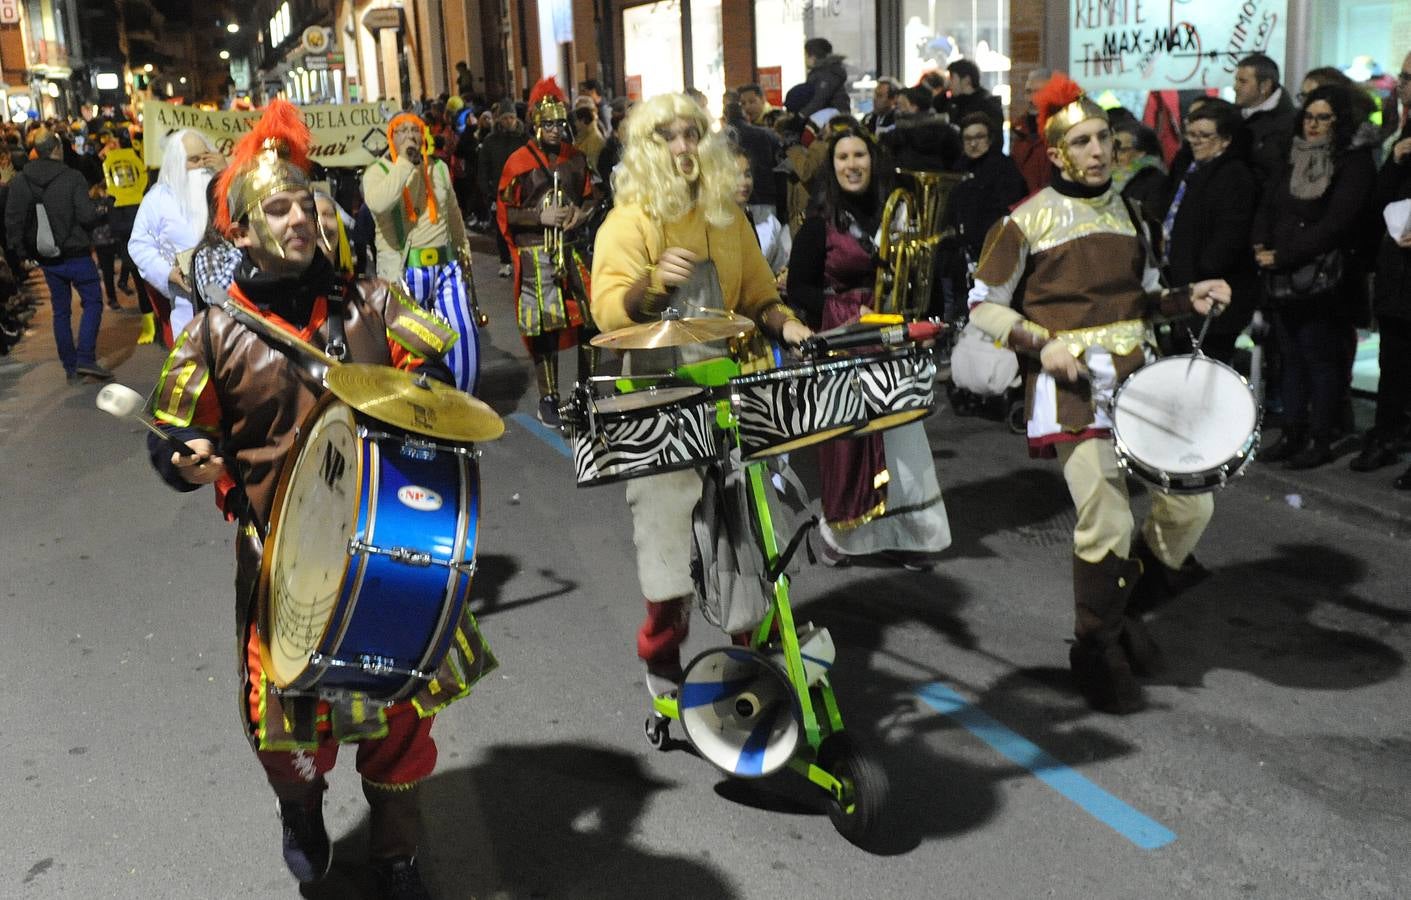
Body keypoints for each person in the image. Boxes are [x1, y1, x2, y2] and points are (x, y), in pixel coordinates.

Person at [145, 100, 493, 899]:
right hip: (280, 560)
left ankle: (397, 853)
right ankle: (300, 811)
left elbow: (442, 375)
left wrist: (424, 392)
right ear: (239, 231)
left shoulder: (374, 300)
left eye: (305, 203)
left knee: (402, 718)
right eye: (277, 208)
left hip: (387, 545)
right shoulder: (211, 334)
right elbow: (171, 430)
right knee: (288, 730)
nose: (299, 217)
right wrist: (184, 458)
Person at [966, 74, 1230, 714]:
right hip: (1072, 390)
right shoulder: (1023, 221)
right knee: (1107, 518)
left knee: (1191, 508)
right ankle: (1097, 647)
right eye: (1082, 142)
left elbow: (1141, 298)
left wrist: (1185, 299)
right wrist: (1040, 343)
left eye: (1104, 139)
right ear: (1057, 153)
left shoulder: (1133, 213)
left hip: (1140, 378)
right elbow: (982, 306)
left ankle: (1123, 607)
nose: (1097, 151)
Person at [589, 92, 812, 696]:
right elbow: (607, 308)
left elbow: (760, 296)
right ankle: (661, 655)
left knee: (750, 530)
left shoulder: (727, 217)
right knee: (667, 544)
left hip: (728, 397)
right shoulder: (628, 221)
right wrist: (652, 286)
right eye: (669, 136)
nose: (683, 146)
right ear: (647, 149)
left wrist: (788, 325)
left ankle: (756, 654)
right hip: (657, 400)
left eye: (692, 134)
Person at [786, 122, 951, 566]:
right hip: (845, 343)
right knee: (850, 443)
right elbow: (798, 287)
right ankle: (842, 535)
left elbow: (921, 275)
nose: (852, 164)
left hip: (893, 339)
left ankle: (913, 537)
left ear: (872, 161)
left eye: (859, 155)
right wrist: (842, 307)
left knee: (902, 438)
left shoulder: (897, 216)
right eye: (843, 157)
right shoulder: (818, 225)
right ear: (833, 166)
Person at [1253, 85, 1377, 469]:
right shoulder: (1293, 153)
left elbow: (1337, 223)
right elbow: (1269, 204)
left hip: (1322, 277)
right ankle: (1293, 432)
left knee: (1319, 358)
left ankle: (1320, 437)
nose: (1314, 125)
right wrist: (1260, 243)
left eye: (1324, 118)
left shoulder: (1352, 162)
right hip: (1282, 274)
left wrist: (1285, 254)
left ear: (1339, 122)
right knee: (1290, 356)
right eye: (1309, 116)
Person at [497, 77, 600, 425]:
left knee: (591, 319)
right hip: (535, 256)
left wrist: (580, 214)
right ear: (537, 124)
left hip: (571, 252)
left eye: (560, 123)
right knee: (544, 328)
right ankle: (549, 398)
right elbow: (506, 213)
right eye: (550, 124)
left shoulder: (576, 158)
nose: (556, 129)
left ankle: (586, 390)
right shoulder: (518, 162)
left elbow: (592, 197)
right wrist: (538, 216)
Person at [363, 111, 481, 393]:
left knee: (463, 335)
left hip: (445, 267)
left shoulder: (438, 168)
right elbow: (379, 204)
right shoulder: (377, 172)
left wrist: (463, 248)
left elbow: (452, 213)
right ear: (391, 138)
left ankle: (462, 399)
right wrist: (404, 163)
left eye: (414, 129)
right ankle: (417, 404)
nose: (410, 136)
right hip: (403, 271)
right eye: (402, 131)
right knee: (411, 346)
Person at [3, 127, 111, 383]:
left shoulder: (21, 181)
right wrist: (102, 209)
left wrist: (21, 252)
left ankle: (70, 366)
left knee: (61, 311)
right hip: (76, 252)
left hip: (47, 256)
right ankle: (86, 357)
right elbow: (86, 216)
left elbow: (13, 220)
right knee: (93, 301)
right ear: (56, 149)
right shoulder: (72, 177)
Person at [1159, 99, 1259, 365]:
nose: (1196, 141)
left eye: (1204, 136)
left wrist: (1203, 269)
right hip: (1184, 286)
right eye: (1191, 134)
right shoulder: (1191, 167)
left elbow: (1231, 235)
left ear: (1225, 140)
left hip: (1214, 293)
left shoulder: (1234, 175)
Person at [1353, 51, 1411, 482]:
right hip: (1398, 275)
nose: (1402, 84)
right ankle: (1386, 438)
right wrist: (1394, 161)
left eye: (1408, 76)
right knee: (1394, 366)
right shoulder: (1401, 130)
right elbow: (1380, 202)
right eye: (1403, 76)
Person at [128, 129, 226, 343]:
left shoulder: (222, 189)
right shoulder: (157, 199)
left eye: (206, 157)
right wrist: (167, 272)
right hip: (187, 307)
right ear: (177, 162)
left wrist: (225, 175)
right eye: (194, 160)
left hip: (229, 307)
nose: (202, 165)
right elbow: (139, 244)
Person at [945, 112, 1028, 317]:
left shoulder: (1005, 169)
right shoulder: (957, 169)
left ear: (990, 139)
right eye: (968, 139)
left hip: (994, 257)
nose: (973, 144)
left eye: (979, 137)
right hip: (962, 261)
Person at [102, 133, 155, 342]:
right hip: (133, 249)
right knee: (142, 287)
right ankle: (150, 326)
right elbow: (116, 227)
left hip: (150, 247)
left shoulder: (147, 190)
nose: (125, 175)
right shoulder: (113, 197)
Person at [477, 101, 530, 278]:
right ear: (499, 119)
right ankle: (505, 261)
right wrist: (488, 192)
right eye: (505, 118)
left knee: (521, 228)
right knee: (502, 229)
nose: (509, 121)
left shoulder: (525, 139)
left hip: (522, 192)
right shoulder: (491, 141)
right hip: (499, 191)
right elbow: (483, 167)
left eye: (512, 118)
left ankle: (522, 260)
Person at [1233, 52, 1298, 191]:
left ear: (1265, 86)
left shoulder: (1289, 125)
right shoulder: (1232, 116)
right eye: (1236, 80)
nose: (1235, 87)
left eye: (1243, 81)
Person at [881, 87, 961, 173]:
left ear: (914, 107)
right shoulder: (946, 131)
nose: (897, 110)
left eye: (900, 105)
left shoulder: (900, 135)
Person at [1111, 120, 1168, 212]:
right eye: (1110, 149)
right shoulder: (1102, 179)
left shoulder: (1155, 183)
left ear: (1141, 153)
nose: (1113, 155)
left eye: (1122, 150)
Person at [1011, 68, 1052, 194]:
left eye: (1039, 92)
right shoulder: (1018, 130)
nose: (1032, 99)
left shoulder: (1062, 130)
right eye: (1028, 92)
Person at [798, 38, 851, 120]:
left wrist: (801, 115)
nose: (804, 59)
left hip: (834, 120)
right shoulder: (825, 72)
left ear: (813, 57)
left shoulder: (827, 73)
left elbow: (819, 99)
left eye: (805, 55)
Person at [944, 59, 1004, 130]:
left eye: (952, 78)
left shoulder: (988, 105)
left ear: (966, 80)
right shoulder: (955, 103)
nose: (949, 83)